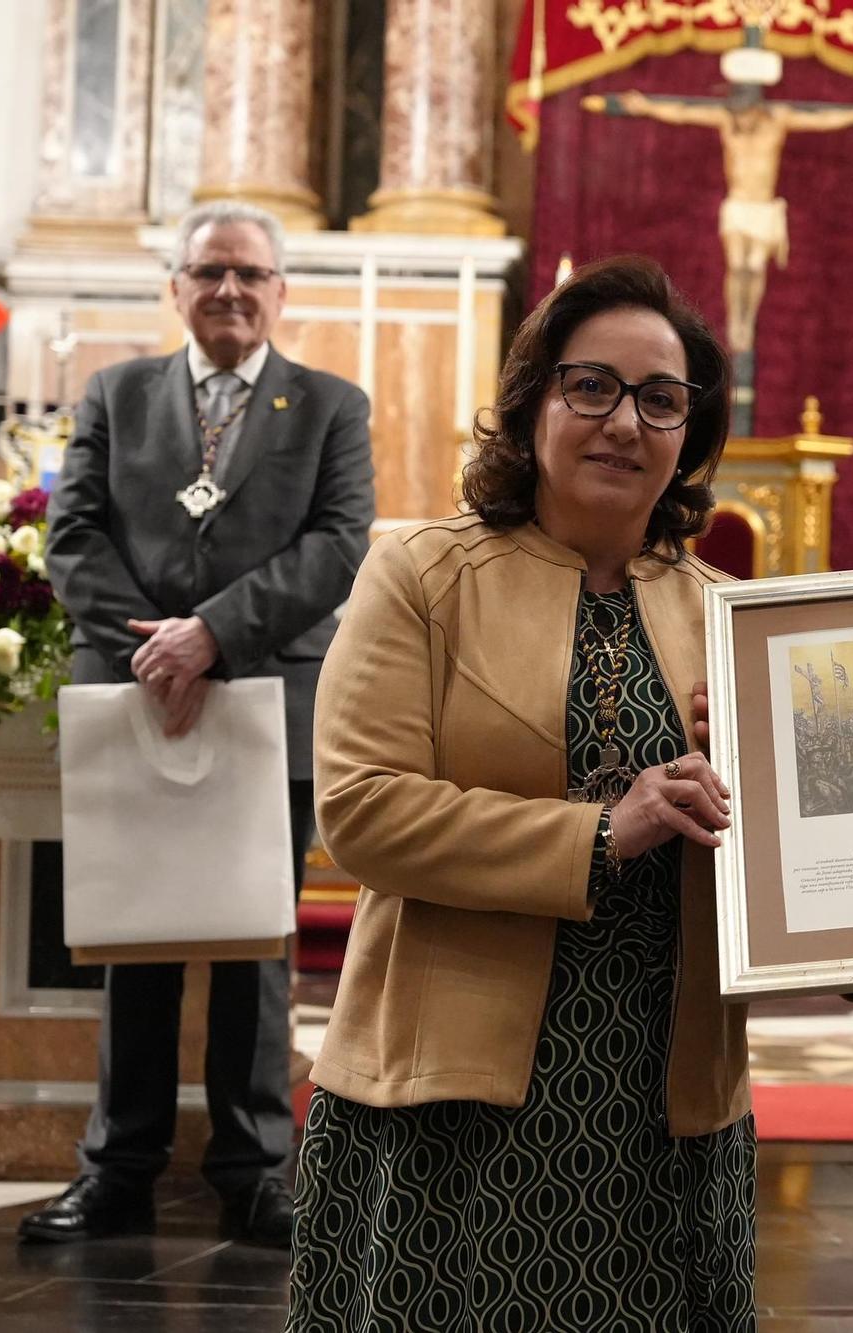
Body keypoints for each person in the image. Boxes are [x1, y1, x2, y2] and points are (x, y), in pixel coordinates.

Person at [288, 255, 755, 1330]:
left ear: (690, 429)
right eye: (590, 386)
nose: (623, 423)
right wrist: (603, 830)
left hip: (664, 1087)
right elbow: (360, 809)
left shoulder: (729, 612)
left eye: (659, 399)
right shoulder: (421, 575)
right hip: (461, 1086)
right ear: (532, 398)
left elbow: (764, 838)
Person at [22, 201, 376, 1248]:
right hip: (133, 694)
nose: (229, 290)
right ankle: (117, 1169)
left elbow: (337, 544)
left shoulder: (327, 405)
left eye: (249, 274)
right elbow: (71, 531)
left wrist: (211, 636)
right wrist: (154, 644)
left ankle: (255, 1170)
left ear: (280, 291)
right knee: (134, 934)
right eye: (208, 271)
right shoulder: (114, 393)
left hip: (265, 695)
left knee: (254, 946)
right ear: (173, 286)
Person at [584, 86, 853, 356]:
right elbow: (683, 112)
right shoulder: (727, 121)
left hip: (764, 208)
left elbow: (820, 119)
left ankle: (748, 320)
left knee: (755, 267)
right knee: (738, 265)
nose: (741, 121)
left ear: (757, 109)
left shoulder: (778, 120)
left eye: (746, 115)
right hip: (739, 205)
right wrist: (643, 106)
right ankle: (736, 325)